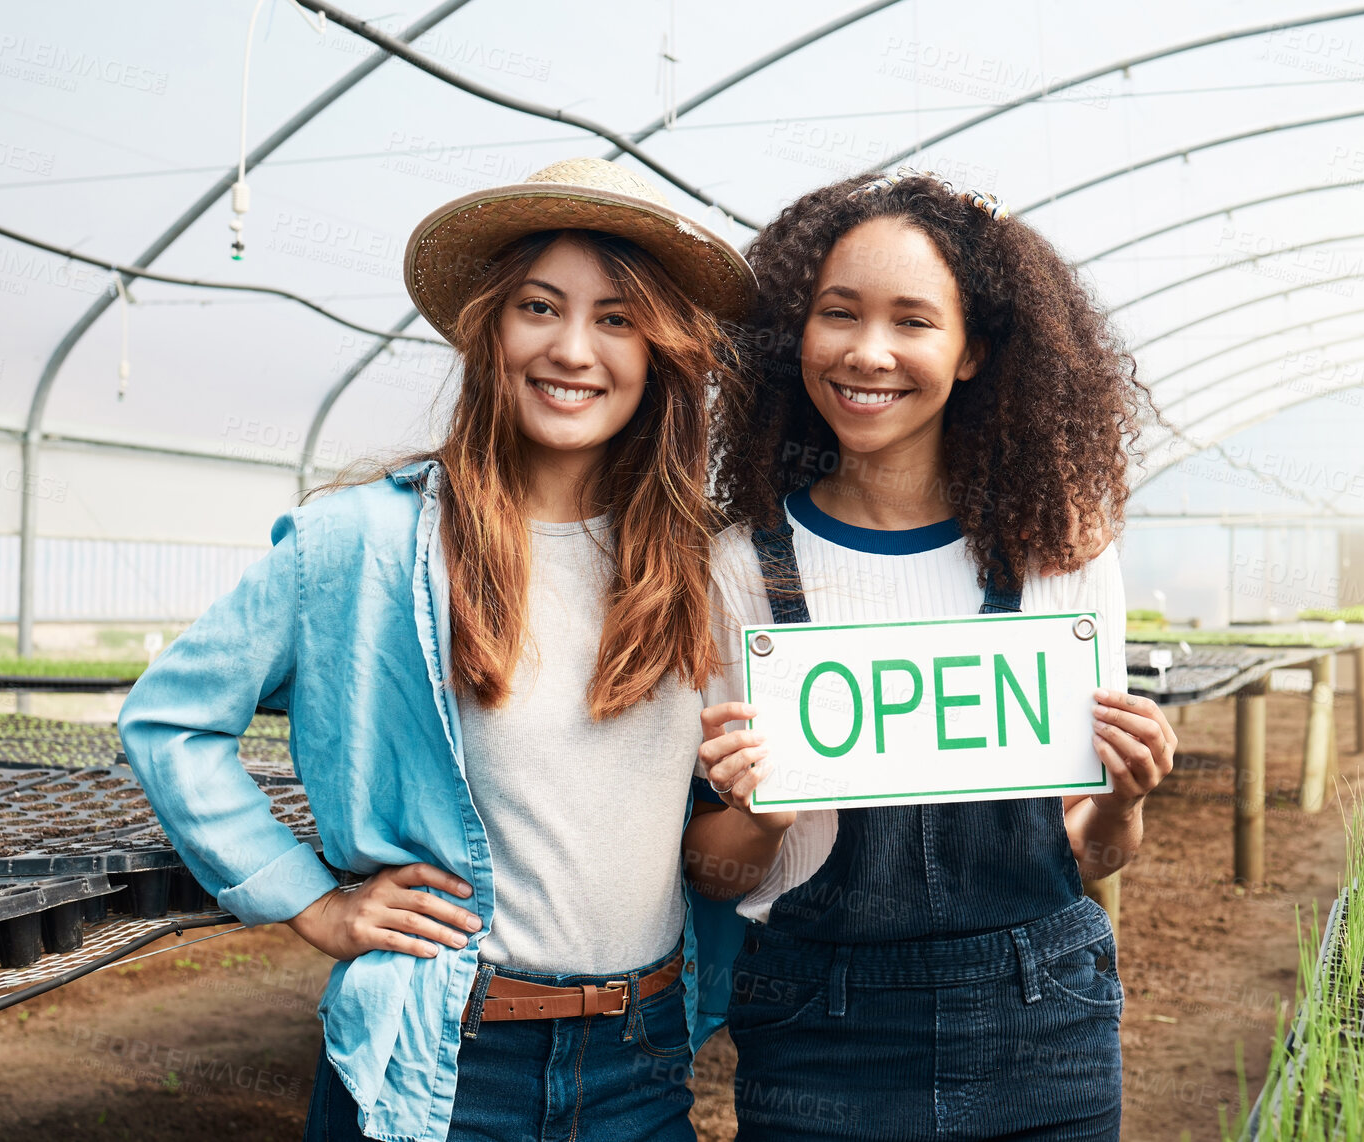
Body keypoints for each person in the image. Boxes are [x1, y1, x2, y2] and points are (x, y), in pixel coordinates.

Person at [119, 158, 754, 1142]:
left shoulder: (697, 567)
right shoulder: (366, 546)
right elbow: (169, 720)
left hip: (643, 1064)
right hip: (444, 1063)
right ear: (490, 327)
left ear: (661, 350)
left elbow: (711, 821)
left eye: (616, 317)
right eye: (540, 306)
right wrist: (313, 902)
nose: (572, 348)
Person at [683, 168, 1177, 1141]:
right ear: (798, 336)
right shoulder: (739, 567)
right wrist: (751, 816)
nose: (868, 351)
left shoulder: (1061, 554)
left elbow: (1094, 855)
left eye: (912, 320)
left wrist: (1124, 794)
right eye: (839, 314)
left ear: (971, 352)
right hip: (820, 1032)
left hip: (1045, 1027)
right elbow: (712, 871)